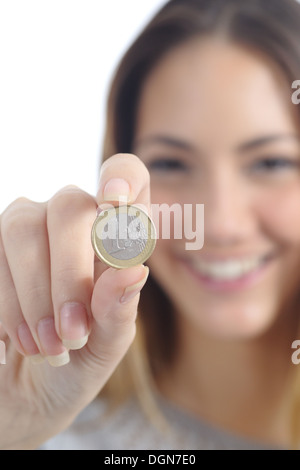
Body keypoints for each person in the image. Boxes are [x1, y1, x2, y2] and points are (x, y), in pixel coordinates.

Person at [0, 0, 300, 450]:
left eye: (272, 162)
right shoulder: (55, 430)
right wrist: (15, 428)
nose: (219, 224)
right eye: (172, 164)